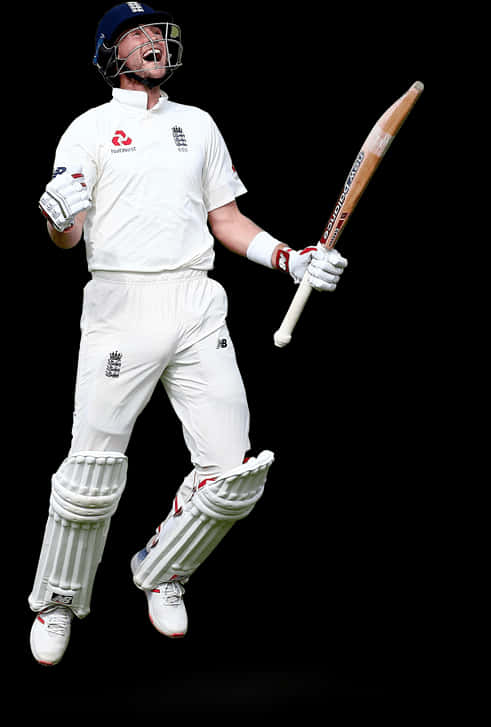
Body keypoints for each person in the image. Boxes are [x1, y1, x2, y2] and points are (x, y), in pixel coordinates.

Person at [29, 2, 348, 666]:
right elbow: (70, 233)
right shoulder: (88, 129)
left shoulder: (197, 125)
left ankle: (163, 568)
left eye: (158, 33)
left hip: (196, 301)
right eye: (137, 34)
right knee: (90, 473)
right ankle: (57, 599)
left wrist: (292, 259)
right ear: (109, 53)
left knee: (232, 473)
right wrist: (57, 221)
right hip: (121, 301)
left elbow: (225, 220)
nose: (153, 40)